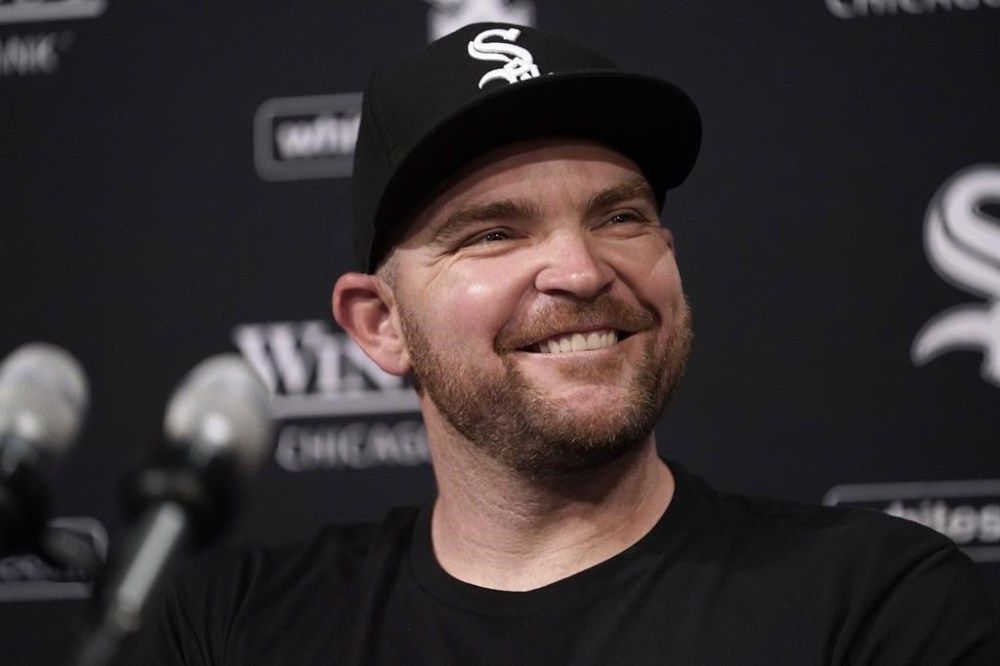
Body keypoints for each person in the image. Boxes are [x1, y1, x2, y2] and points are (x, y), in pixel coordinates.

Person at [146, 23, 1000, 664]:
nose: (582, 271)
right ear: (381, 324)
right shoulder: (234, 626)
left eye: (621, 216)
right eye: (491, 234)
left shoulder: (877, 607)